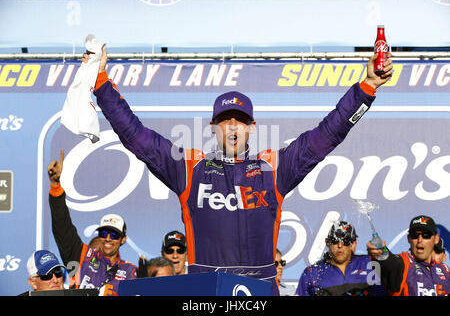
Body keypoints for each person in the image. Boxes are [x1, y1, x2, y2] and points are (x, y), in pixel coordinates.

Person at [89, 45, 393, 295]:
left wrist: (367, 88)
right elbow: (135, 136)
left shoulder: (274, 168)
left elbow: (328, 134)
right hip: (206, 297)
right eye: (225, 120)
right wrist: (101, 81)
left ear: (251, 128)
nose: (232, 127)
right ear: (213, 127)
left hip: (259, 295)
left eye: (240, 120)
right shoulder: (189, 168)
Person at [47, 150, 137, 296]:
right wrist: (56, 186)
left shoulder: (131, 271)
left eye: (114, 235)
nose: (108, 238)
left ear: (123, 240)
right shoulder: (83, 256)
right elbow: (62, 228)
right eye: (103, 233)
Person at [296, 221, 386, 296]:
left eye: (346, 241)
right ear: (327, 242)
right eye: (335, 241)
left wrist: (385, 253)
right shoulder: (312, 273)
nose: (340, 245)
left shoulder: (370, 263)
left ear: (353, 243)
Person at [367, 215, 450, 296]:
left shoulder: (445, 270)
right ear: (409, 238)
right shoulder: (405, 264)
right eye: (415, 235)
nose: (420, 240)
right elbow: (390, 262)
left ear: (436, 239)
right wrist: (379, 252)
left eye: (426, 235)